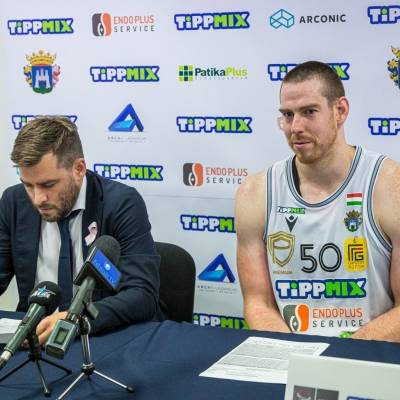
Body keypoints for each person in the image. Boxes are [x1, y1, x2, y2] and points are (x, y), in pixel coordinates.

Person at [235, 61, 400, 341]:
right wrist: (295, 355)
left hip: (369, 354)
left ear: (340, 111)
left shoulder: (390, 186)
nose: (295, 127)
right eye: (287, 115)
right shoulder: (255, 192)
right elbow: (258, 303)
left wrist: (337, 358)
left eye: (309, 112)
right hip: (291, 354)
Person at [0, 116, 165, 344]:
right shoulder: (13, 201)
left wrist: (74, 319)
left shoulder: (121, 204)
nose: (38, 199)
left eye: (48, 185)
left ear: (78, 169)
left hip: (101, 337)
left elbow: (142, 294)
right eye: (28, 185)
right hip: (35, 339)